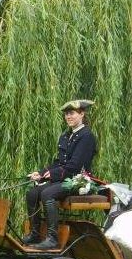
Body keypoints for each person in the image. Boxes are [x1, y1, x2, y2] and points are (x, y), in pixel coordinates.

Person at [23, 99, 97, 250]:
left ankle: (52, 238)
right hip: (63, 177)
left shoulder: (86, 136)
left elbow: (75, 166)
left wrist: (51, 174)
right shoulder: (65, 136)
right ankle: (35, 233)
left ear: (82, 114)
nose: (68, 117)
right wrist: (41, 173)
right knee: (32, 193)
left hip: (78, 180)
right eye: (66, 114)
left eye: (72, 113)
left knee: (47, 193)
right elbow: (59, 162)